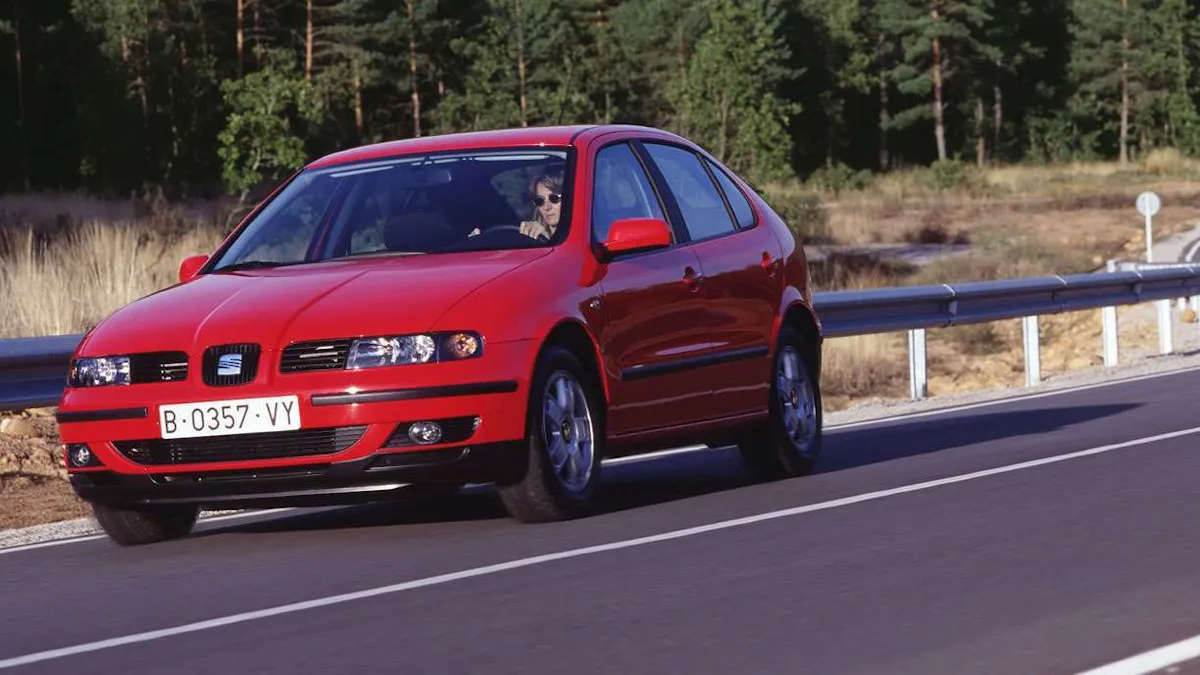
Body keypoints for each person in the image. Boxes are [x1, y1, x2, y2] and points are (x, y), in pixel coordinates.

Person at [519, 173, 564, 241]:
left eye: (554, 198)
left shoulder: (583, 237)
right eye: (539, 201)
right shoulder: (532, 233)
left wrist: (547, 240)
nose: (546, 207)